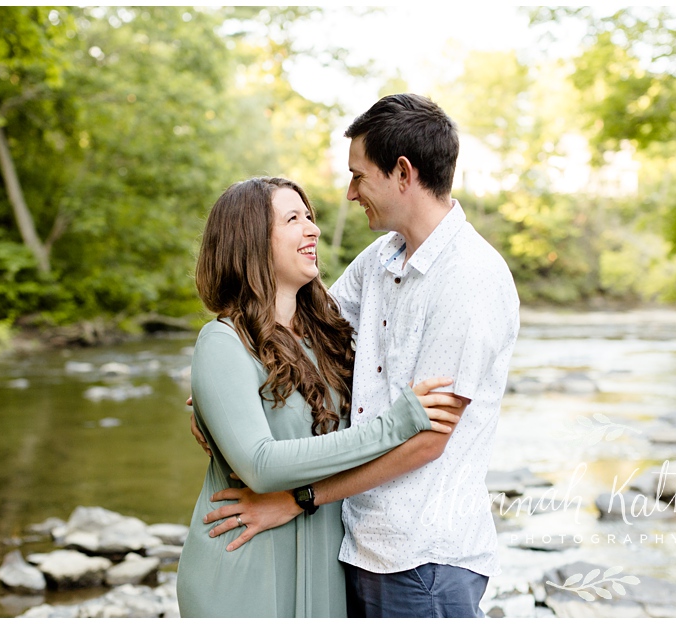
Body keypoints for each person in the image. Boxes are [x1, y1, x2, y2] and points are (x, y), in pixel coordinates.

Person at [191, 95, 520, 618]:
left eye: (359, 176)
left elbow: (427, 440)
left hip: (423, 560)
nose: (349, 193)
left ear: (403, 173)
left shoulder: (470, 280)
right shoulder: (381, 259)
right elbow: (297, 328)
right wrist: (213, 393)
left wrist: (299, 499)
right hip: (357, 547)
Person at [174, 176, 466, 617]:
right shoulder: (222, 342)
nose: (313, 229)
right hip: (245, 563)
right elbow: (261, 465)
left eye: (309, 216)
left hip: (324, 565)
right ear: (249, 241)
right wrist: (396, 424)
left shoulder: (326, 338)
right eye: (294, 219)